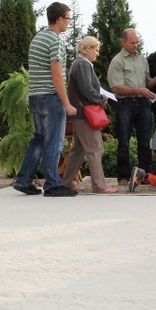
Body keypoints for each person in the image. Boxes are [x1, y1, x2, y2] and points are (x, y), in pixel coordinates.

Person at [13, 2, 78, 197]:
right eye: (68, 18)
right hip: (51, 97)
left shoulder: (37, 38)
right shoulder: (55, 41)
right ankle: (52, 184)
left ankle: (24, 180)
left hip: (35, 96)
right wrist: (66, 103)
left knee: (39, 139)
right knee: (54, 142)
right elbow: (57, 75)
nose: (68, 22)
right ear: (59, 19)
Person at [107, 28, 156, 187]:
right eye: (132, 43)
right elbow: (116, 88)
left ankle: (144, 175)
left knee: (145, 142)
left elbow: (147, 83)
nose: (135, 45)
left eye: (137, 42)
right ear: (123, 42)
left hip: (143, 103)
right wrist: (139, 90)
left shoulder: (142, 60)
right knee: (123, 141)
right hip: (125, 104)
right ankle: (123, 177)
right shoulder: (117, 61)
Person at [62, 36, 117, 194]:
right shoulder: (83, 65)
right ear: (88, 49)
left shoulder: (78, 64)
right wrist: (101, 98)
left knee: (78, 149)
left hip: (79, 113)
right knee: (95, 148)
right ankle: (99, 186)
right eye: (96, 50)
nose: (98, 54)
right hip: (84, 113)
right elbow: (87, 89)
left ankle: (66, 182)